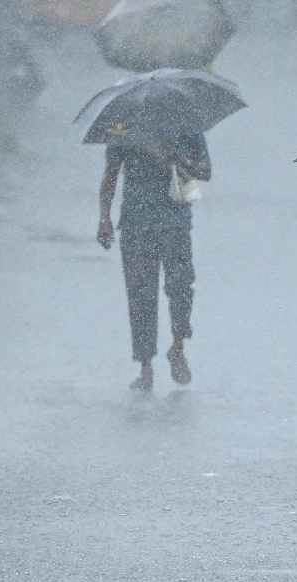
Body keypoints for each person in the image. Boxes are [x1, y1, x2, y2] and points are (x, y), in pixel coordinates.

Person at [97, 131, 211, 391]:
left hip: (175, 222)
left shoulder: (186, 125)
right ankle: (145, 365)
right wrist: (104, 217)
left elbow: (205, 171)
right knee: (140, 294)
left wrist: (176, 159)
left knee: (181, 287)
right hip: (136, 223)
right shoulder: (125, 126)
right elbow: (111, 172)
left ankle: (177, 346)